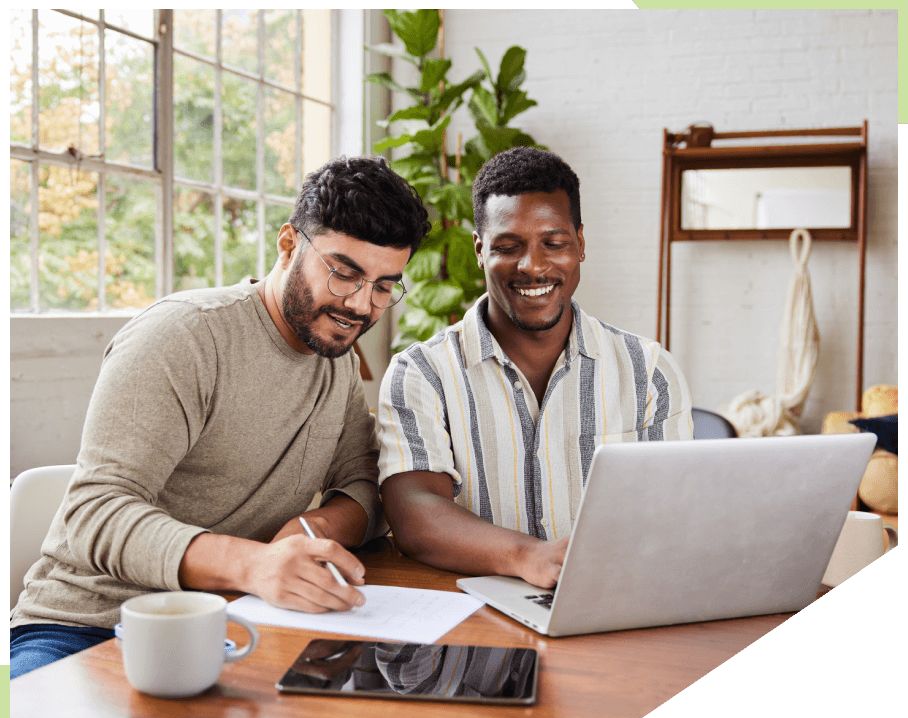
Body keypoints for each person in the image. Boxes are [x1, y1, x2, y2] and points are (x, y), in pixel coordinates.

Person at [10, 156, 431, 679]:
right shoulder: (181, 337)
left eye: (384, 286)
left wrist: (313, 526)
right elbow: (95, 511)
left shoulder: (335, 358)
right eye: (344, 273)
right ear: (288, 244)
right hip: (88, 625)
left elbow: (367, 481)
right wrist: (254, 565)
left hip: (236, 620)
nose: (361, 305)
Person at [377, 146, 692, 589]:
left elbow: (672, 513)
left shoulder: (648, 372)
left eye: (554, 243)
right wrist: (528, 557)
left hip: (609, 600)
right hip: (470, 616)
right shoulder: (421, 373)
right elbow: (414, 512)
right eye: (508, 246)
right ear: (480, 250)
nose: (533, 266)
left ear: (580, 244)